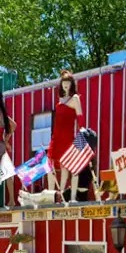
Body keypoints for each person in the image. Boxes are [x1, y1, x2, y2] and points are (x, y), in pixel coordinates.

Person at [48, 70, 85, 201]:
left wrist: (82, 131)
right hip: (56, 136)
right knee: (51, 164)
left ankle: (63, 193)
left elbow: (80, 117)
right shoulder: (60, 100)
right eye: (64, 82)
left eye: (68, 82)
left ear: (72, 84)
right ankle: (52, 195)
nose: (66, 85)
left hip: (68, 136)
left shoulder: (75, 98)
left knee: (66, 166)